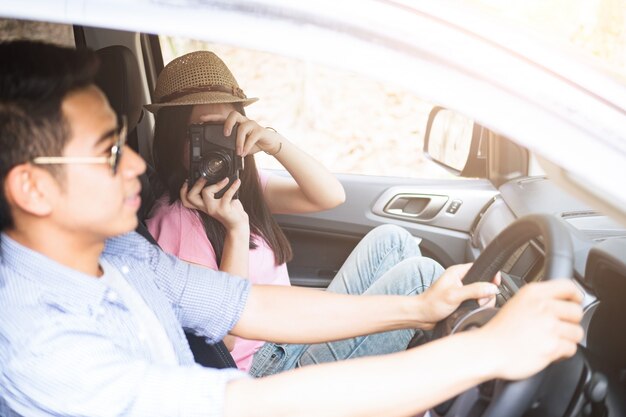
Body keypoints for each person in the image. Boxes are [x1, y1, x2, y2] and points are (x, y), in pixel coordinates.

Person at [0, 40, 584, 417]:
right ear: (32, 187)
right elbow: (249, 404)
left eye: (126, 144)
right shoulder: (35, 342)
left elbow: (247, 305)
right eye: (108, 153)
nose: (134, 164)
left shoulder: (125, 253)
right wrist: (485, 350)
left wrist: (423, 308)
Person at [145, 50, 447, 373]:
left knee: (393, 241)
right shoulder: (173, 223)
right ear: (175, 137)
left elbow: (330, 195)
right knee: (421, 279)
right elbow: (225, 340)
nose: (216, 143)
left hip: (291, 333)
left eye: (226, 128)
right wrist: (236, 231)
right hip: (265, 370)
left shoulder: (240, 187)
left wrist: (274, 143)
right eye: (203, 133)